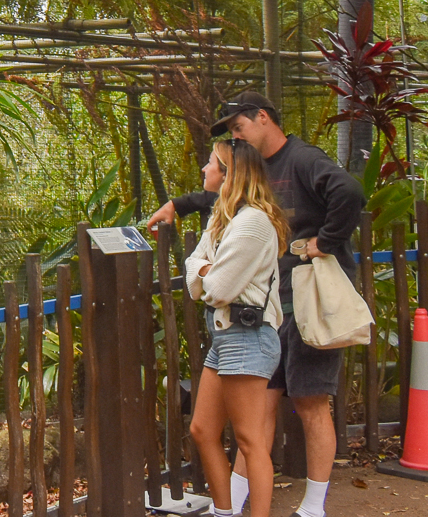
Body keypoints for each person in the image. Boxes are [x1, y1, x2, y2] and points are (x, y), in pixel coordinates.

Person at [150, 92, 364, 517]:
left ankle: (313, 506)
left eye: (238, 127)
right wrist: (179, 203)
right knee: (259, 413)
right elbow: (222, 200)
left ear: (263, 118)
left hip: (306, 297)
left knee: (310, 401)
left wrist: (325, 242)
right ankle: (236, 503)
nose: (234, 136)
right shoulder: (253, 174)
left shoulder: (303, 159)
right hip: (269, 306)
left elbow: (349, 191)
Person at [185, 139, 289, 517]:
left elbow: (216, 288)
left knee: (249, 440)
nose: (204, 169)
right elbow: (195, 267)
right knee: (202, 429)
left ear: (229, 174)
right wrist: (206, 271)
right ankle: (223, 511)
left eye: (210, 162)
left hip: (248, 337)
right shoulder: (223, 218)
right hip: (226, 336)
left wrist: (206, 273)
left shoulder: (253, 223)